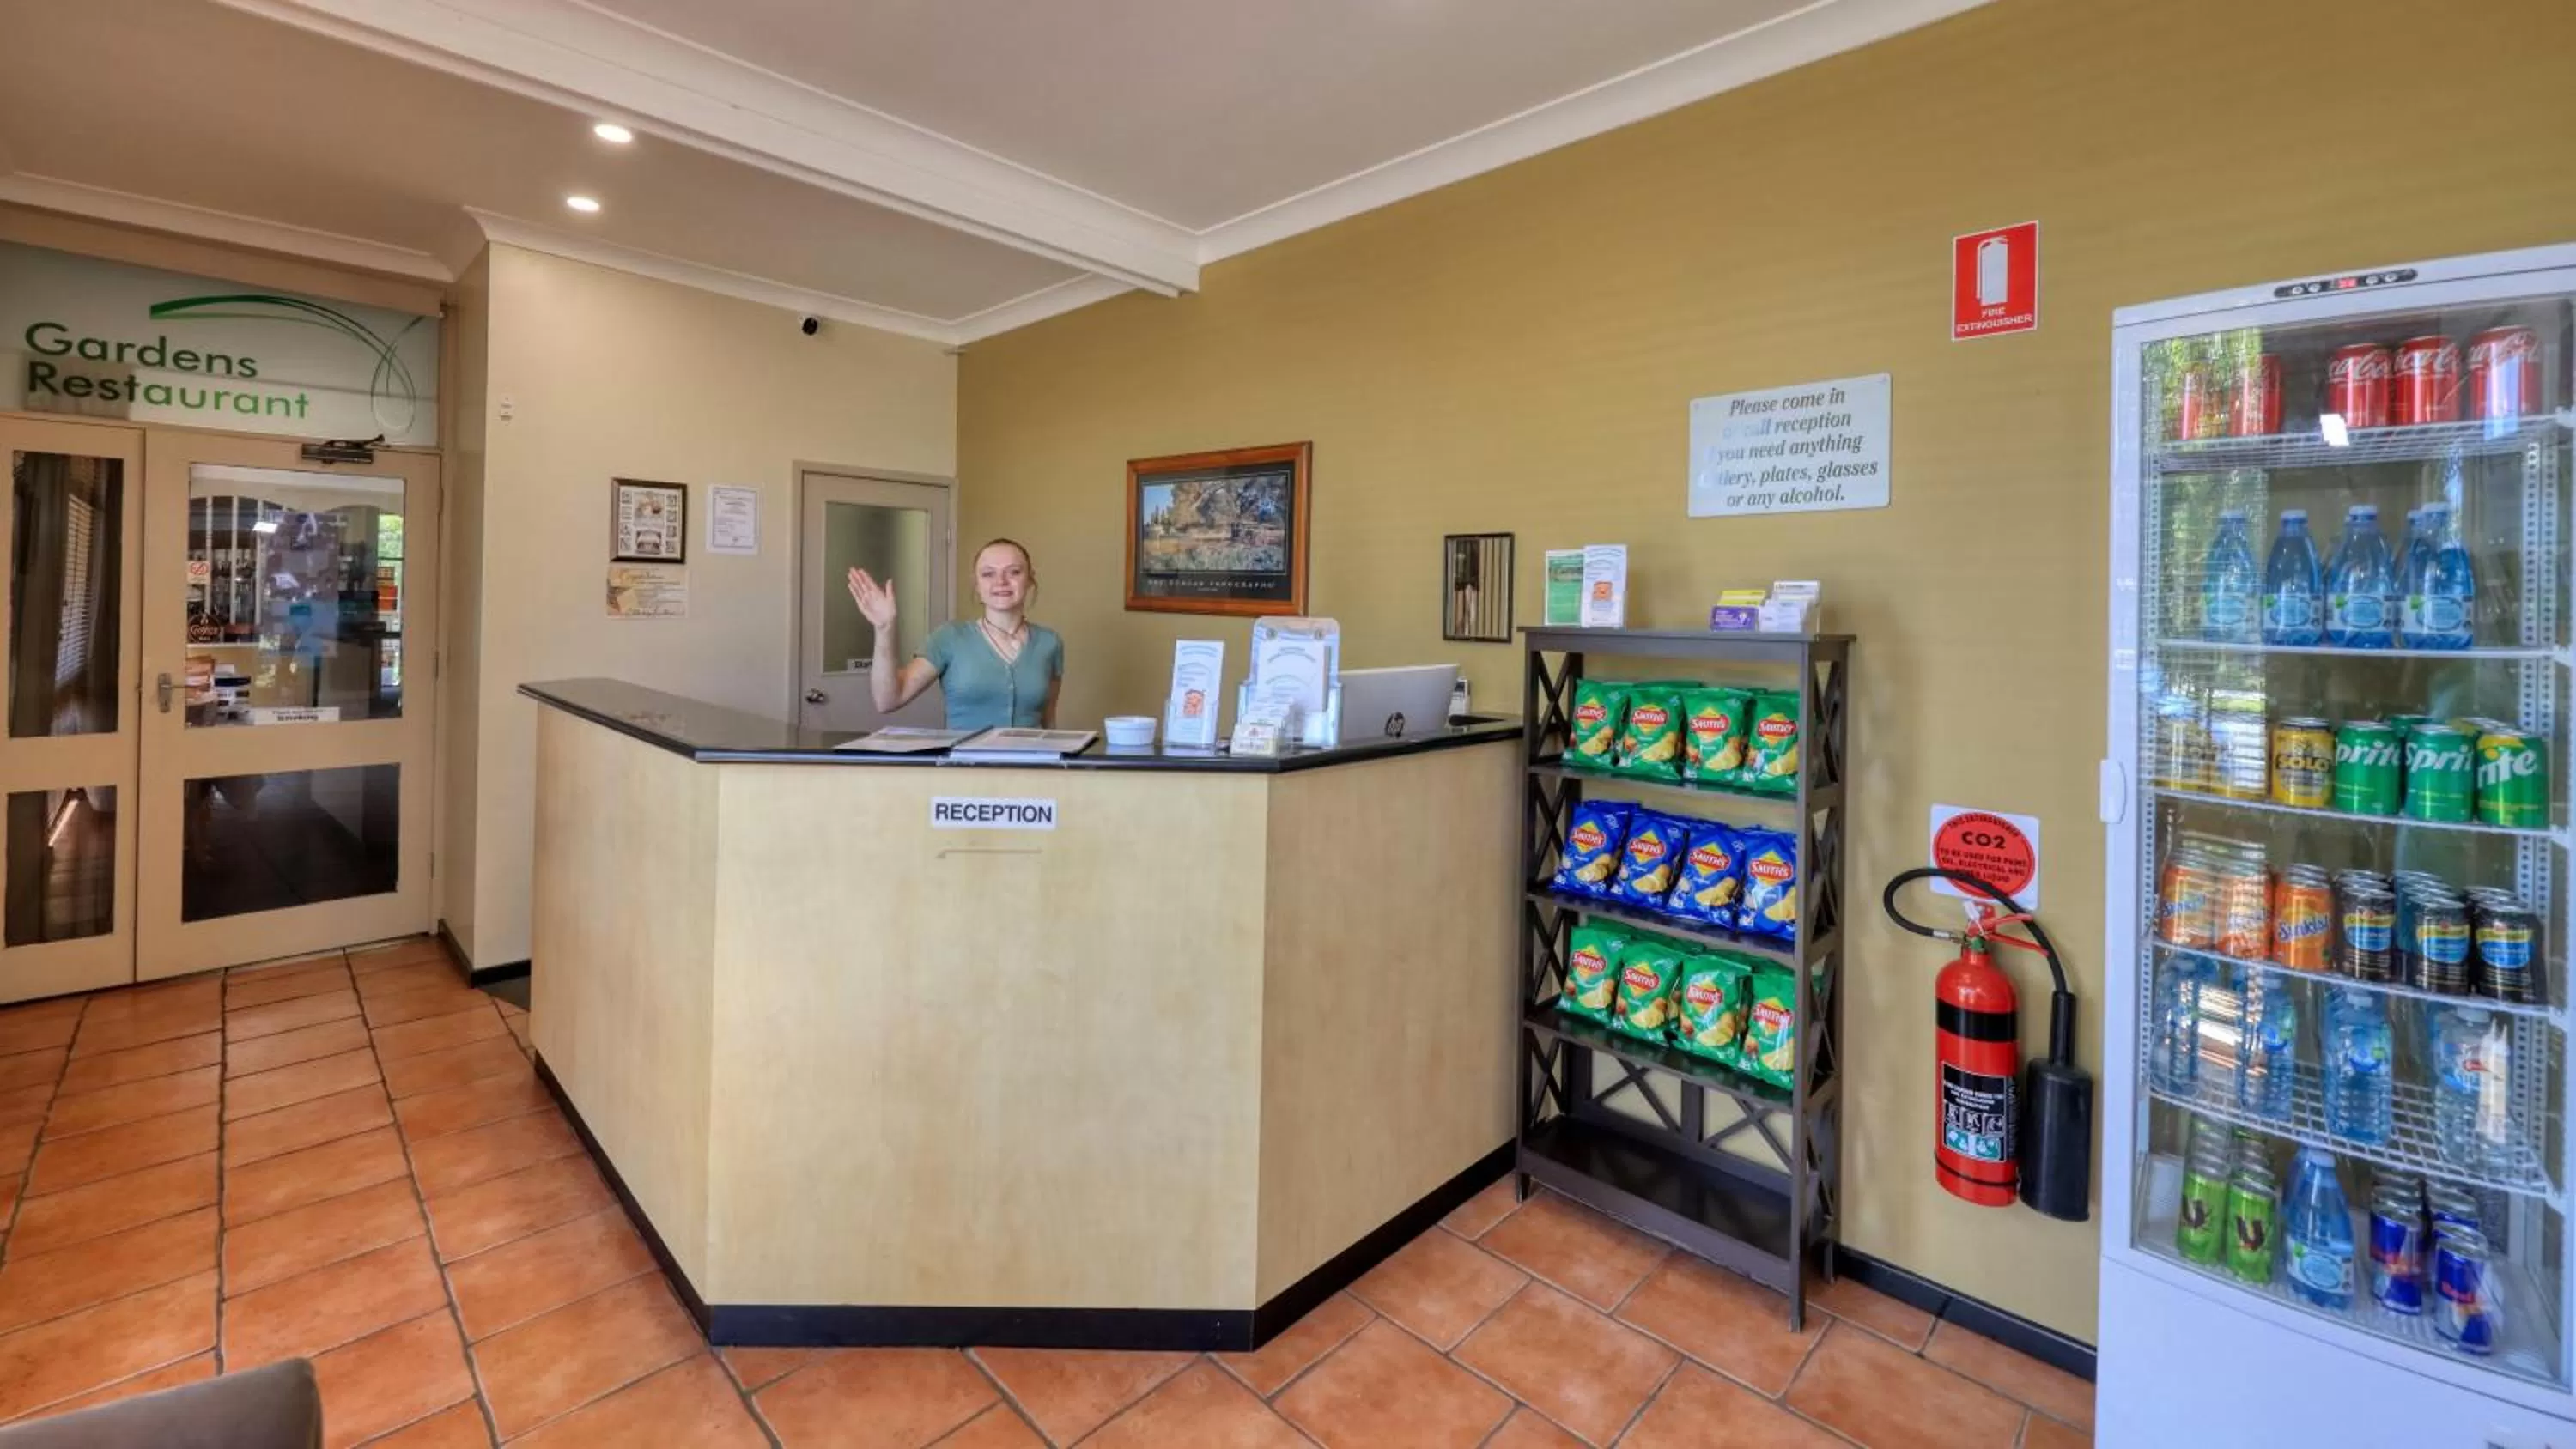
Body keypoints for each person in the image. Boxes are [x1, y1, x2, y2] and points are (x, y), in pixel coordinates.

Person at [848, 538, 1063, 731]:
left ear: (1030, 579)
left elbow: (1048, 721)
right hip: (965, 770)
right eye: (988, 573)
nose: (1001, 581)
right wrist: (885, 628)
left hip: (1032, 771)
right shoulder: (949, 638)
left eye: (1014, 572)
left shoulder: (1050, 643)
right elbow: (887, 700)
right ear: (977, 585)